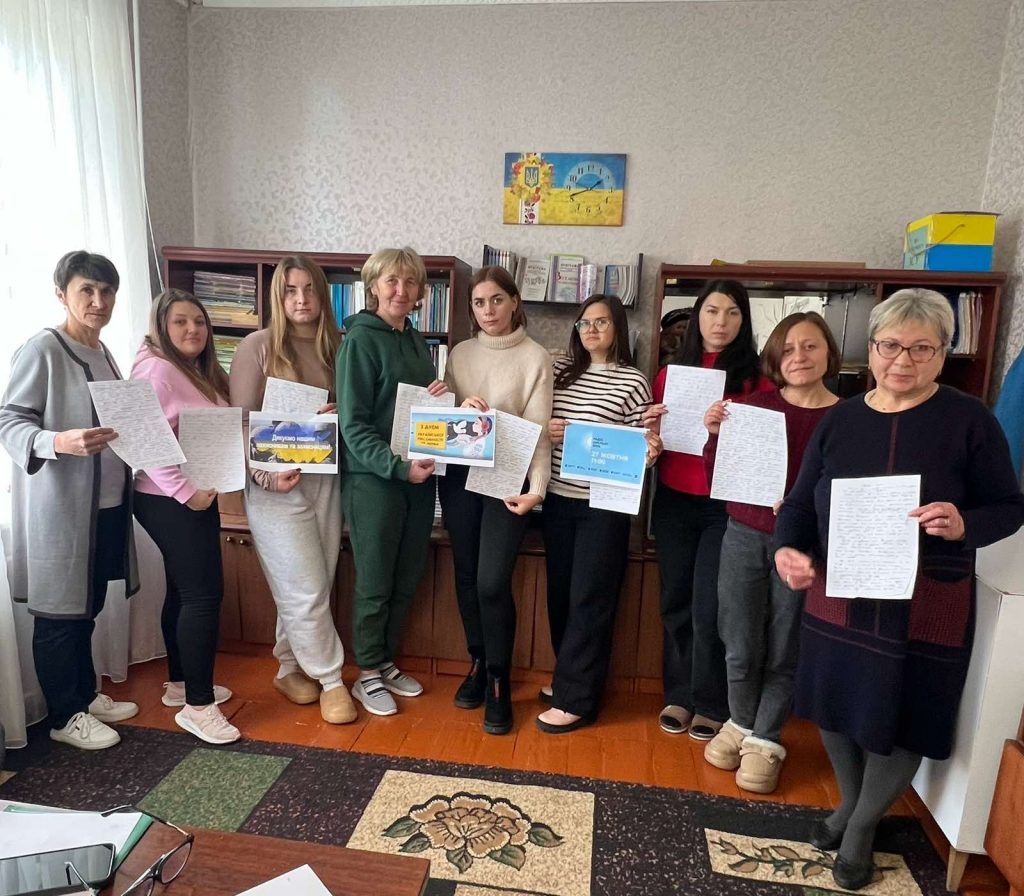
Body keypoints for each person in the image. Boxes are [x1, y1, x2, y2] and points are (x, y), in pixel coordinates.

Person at [774, 289, 1024, 890]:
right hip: (841, 588)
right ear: (871, 348)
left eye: (921, 349)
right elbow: (801, 502)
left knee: (907, 713)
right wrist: (788, 549)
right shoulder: (840, 419)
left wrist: (963, 524)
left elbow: (1009, 507)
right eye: (890, 346)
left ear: (942, 354)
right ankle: (851, 807)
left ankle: (860, 827)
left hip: (928, 597)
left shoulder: (969, 420)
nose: (902, 360)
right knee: (834, 705)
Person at [0, 251, 139, 750]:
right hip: (61, 511)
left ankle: (84, 695)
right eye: (87, 291)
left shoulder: (104, 352)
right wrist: (58, 441)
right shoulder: (42, 349)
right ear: (62, 294)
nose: (98, 301)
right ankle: (64, 716)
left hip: (106, 507)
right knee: (58, 613)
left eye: (107, 292)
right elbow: (9, 421)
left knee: (89, 604)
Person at [700, 312, 841, 792]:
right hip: (744, 533)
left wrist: (805, 510)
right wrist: (715, 435)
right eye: (788, 348)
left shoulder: (846, 417)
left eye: (810, 346)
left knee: (786, 645)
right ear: (775, 358)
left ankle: (765, 738)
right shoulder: (750, 408)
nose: (799, 357)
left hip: (804, 545)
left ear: (829, 353)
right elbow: (717, 476)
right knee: (738, 639)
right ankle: (740, 722)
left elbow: (849, 487)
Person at [646, 280, 775, 740]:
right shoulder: (669, 374)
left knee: (711, 607)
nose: (721, 322)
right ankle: (679, 694)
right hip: (674, 499)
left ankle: (711, 701)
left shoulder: (757, 380)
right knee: (675, 601)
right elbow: (656, 442)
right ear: (697, 315)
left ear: (744, 320)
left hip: (725, 505)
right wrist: (650, 435)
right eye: (712, 311)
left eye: (732, 313)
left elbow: (762, 449)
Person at [230, 255, 355, 725]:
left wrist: (339, 411)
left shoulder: (339, 347)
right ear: (277, 296)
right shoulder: (257, 347)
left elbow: (356, 412)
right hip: (275, 485)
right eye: (290, 290)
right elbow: (242, 424)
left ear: (323, 294)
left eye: (309, 289)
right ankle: (331, 679)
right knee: (304, 586)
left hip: (326, 478)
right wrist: (266, 476)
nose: (301, 299)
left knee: (315, 580)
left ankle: (287, 666)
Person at [438, 266, 552, 735]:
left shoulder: (536, 357)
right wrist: (456, 408)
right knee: (466, 576)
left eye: (497, 300)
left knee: (491, 581)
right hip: (461, 475)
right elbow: (441, 420)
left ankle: (500, 678)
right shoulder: (460, 354)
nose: (488, 310)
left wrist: (537, 489)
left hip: (508, 476)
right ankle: (479, 662)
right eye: (479, 303)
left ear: (514, 301)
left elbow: (539, 432)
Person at [538, 294, 660, 733]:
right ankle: (571, 677)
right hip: (557, 498)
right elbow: (535, 420)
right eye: (584, 323)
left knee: (591, 598)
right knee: (560, 596)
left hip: (604, 505)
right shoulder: (559, 371)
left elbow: (641, 444)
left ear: (617, 328)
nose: (591, 330)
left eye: (601, 322)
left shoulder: (634, 381)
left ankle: (577, 699)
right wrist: (547, 429)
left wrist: (649, 451)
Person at [336, 247, 447, 717]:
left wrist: (438, 397)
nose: (401, 291)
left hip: (418, 480)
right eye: (391, 281)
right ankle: (366, 673)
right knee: (375, 580)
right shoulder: (360, 341)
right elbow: (354, 425)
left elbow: (415, 409)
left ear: (421, 290)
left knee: (406, 577)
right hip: (375, 483)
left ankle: (384, 661)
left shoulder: (416, 339)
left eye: (410, 282)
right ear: (374, 286)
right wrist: (397, 467)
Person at [132, 289, 239, 745]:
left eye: (199, 321)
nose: (193, 329)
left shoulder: (193, 371)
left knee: (182, 590)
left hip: (194, 494)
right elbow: (146, 439)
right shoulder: (156, 371)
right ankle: (198, 706)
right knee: (203, 596)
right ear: (161, 326)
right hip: (170, 498)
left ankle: (180, 683)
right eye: (180, 322)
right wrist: (186, 493)